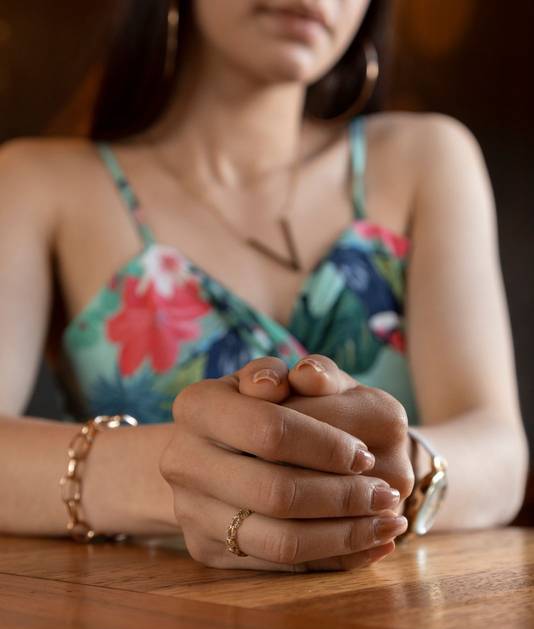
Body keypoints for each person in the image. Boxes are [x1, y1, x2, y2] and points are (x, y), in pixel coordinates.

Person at [0, 0, 528, 571]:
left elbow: (500, 451)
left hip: (385, 624)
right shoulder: (41, 183)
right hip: (150, 624)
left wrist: (399, 468)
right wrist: (178, 476)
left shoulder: (426, 160)